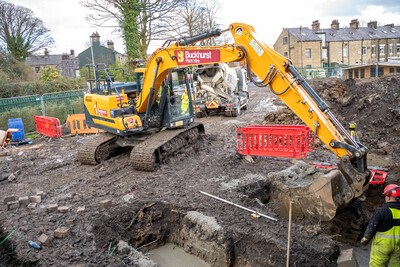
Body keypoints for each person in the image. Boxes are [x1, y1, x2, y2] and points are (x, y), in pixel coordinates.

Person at [360, 184, 400, 266]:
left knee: (377, 264)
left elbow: (371, 228)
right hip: (398, 247)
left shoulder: (382, 212)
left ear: (388, 196)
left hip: (382, 247)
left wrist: (365, 240)